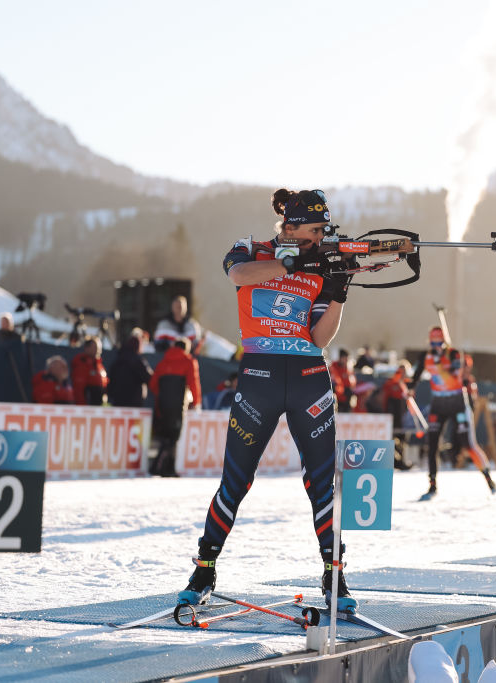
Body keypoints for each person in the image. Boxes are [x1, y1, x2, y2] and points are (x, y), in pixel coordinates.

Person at [179, 188, 358, 614]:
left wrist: (338, 292)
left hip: (309, 378)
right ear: (291, 226)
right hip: (259, 377)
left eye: (323, 231)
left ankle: (335, 574)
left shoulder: (319, 265)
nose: (321, 237)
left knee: (321, 483)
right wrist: (291, 261)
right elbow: (238, 275)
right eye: (315, 230)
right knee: (235, 481)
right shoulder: (251, 248)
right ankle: (204, 568)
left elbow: (320, 337)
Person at [409, 326, 496, 498]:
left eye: (438, 342)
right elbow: (416, 376)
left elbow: (455, 375)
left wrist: (440, 362)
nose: (435, 346)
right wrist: (410, 387)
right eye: (433, 342)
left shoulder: (454, 354)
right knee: (432, 442)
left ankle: (488, 477)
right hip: (438, 403)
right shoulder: (426, 356)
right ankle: (432, 485)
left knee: (467, 443)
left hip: (457, 401)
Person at [150, 338, 201, 477]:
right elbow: (193, 382)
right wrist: (196, 402)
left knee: (166, 437)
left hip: (162, 405)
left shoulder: (162, 363)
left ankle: (164, 467)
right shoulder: (188, 361)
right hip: (178, 405)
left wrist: (162, 397)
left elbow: (153, 384)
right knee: (173, 437)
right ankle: (163, 468)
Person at [107, 335, 153, 408]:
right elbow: (148, 378)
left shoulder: (117, 360)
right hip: (134, 403)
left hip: (118, 401)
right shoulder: (138, 361)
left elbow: (110, 382)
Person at [71, 338, 108, 406]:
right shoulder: (81, 363)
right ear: (86, 348)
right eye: (94, 347)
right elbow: (79, 388)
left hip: (99, 404)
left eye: (98, 347)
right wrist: (82, 406)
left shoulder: (99, 365)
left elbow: (105, 384)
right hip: (88, 405)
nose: (97, 350)